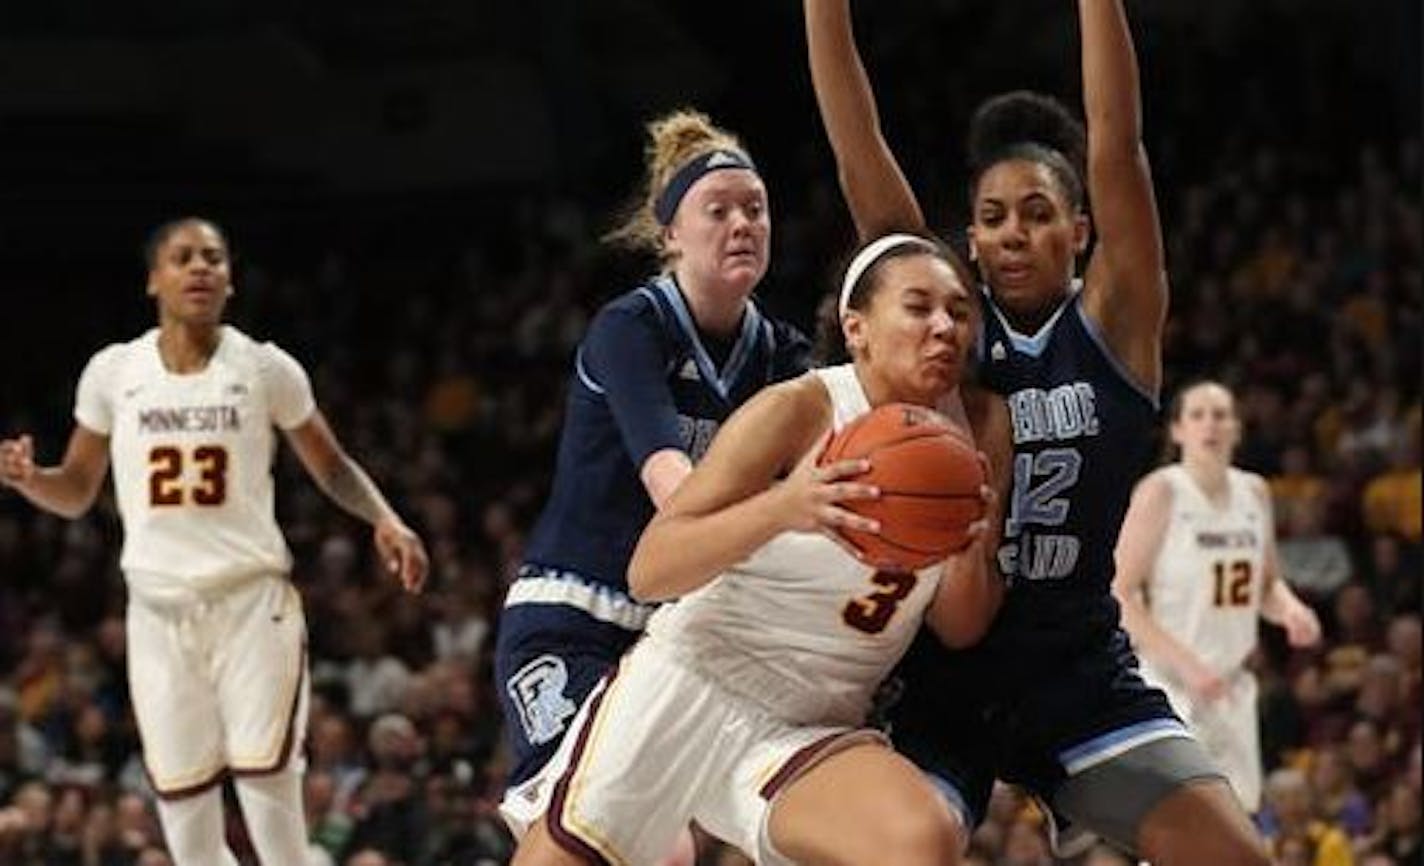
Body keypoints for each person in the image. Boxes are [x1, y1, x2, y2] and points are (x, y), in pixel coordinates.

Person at [803, 1, 1272, 863]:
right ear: (970, 242)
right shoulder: (949, 327)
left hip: (1077, 671)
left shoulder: (1117, 325)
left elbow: (1116, 143)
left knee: (1237, 854)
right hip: (937, 679)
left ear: (1080, 231)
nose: (1011, 231)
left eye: (1036, 212)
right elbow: (857, 150)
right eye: (990, 217)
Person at [509, 232, 1012, 866]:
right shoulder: (800, 409)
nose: (944, 326)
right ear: (857, 329)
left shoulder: (981, 435)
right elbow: (652, 569)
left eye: (960, 312)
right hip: (693, 679)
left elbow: (960, 626)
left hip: (811, 718)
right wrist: (786, 507)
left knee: (921, 840)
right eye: (919, 307)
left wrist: (969, 545)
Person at [0, 218, 429, 866]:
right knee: (186, 813)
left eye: (213, 257)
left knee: (269, 794)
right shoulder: (114, 372)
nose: (199, 267)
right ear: (154, 280)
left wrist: (385, 517)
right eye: (182, 257)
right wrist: (33, 481)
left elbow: (333, 465)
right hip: (157, 611)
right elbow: (79, 488)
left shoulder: (263, 366)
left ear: (229, 281)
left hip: (251, 601)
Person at [493, 109, 811, 856]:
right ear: (670, 234)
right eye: (718, 210)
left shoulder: (783, 355)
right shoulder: (629, 329)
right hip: (573, 618)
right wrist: (794, 506)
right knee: (620, 843)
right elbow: (679, 495)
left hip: (685, 637)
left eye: (755, 209)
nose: (741, 224)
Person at [1113, 380, 1322, 812]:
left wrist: (1291, 610)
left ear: (1237, 429)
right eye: (1198, 415)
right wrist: (1188, 666)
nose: (1210, 424)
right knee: (1181, 819)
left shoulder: (1255, 492)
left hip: (1230, 683)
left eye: (1221, 414)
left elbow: (1265, 585)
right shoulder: (1162, 491)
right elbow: (1119, 593)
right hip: (1171, 681)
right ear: (1177, 430)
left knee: (1240, 816)